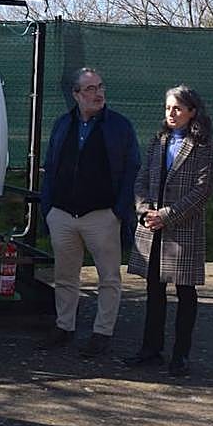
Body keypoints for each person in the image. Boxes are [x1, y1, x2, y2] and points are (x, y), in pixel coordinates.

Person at [40, 67, 141, 357]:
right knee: (65, 275)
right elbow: (51, 166)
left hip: (102, 216)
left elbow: (132, 169)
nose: (98, 94)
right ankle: (64, 327)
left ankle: (102, 332)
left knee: (108, 277)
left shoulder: (119, 126)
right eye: (90, 89)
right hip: (62, 214)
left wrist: (118, 212)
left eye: (100, 87)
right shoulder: (63, 124)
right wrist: (49, 210)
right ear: (75, 94)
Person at [124, 86, 213, 377]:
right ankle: (151, 349)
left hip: (181, 231)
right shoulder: (158, 141)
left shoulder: (202, 146)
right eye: (167, 108)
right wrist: (144, 209)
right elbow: (141, 178)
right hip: (152, 228)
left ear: (192, 111)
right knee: (154, 291)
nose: (171, 114)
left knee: (185, 295)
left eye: (177, 108)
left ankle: (181, 354)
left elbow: (202, 191)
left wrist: (167, 215)